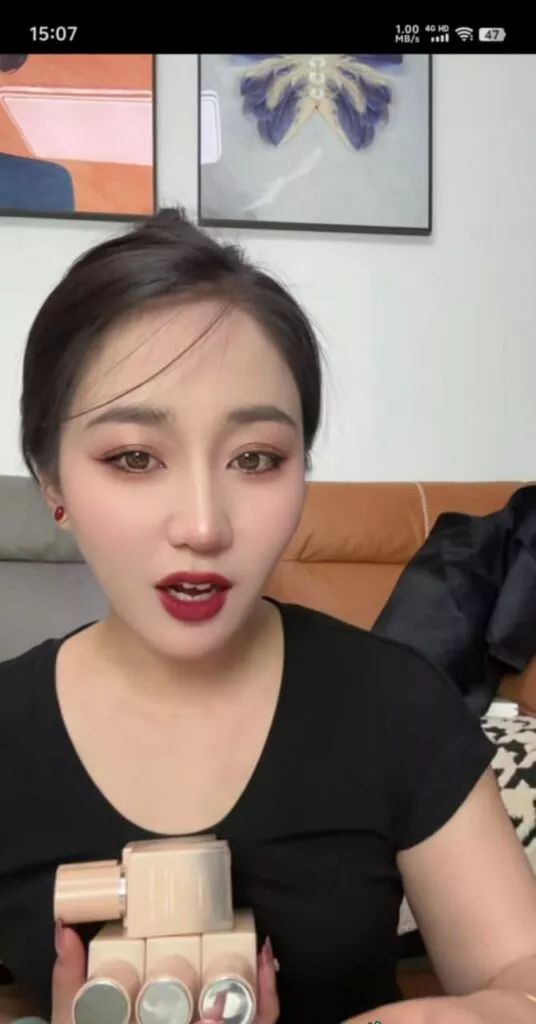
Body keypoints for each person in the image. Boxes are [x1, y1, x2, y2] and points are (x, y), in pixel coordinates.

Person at [1, 208, 536, 1024]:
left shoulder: (395, 704)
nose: (203, 526)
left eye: (255, 458)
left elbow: (519, 970)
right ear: (52, 482)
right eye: (134, 457)